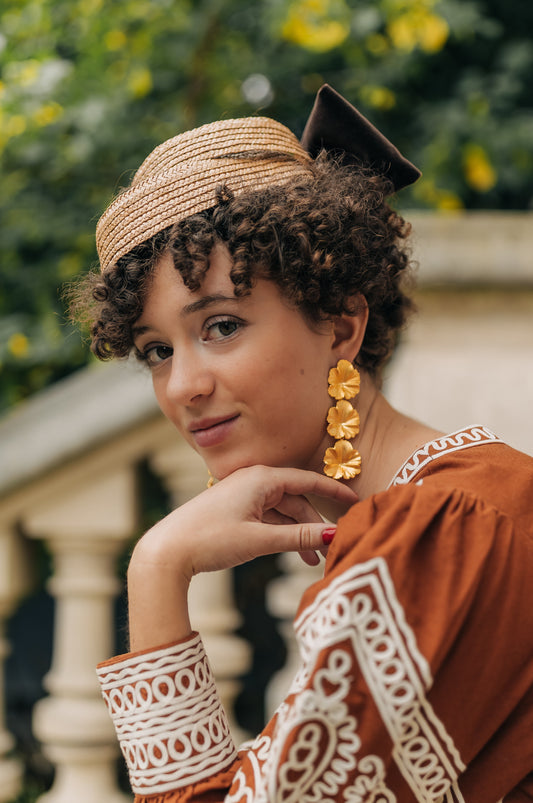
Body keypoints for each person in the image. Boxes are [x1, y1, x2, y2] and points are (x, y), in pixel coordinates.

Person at [71, 85, 533, 802]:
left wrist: (157, 571)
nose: (182, 386)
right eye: (156, 350)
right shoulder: (428, 513)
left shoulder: (443, 530)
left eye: (220, 325)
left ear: (341, 325)